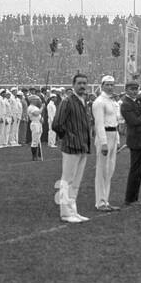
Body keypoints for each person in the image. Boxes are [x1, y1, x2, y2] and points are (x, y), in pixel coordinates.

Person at [52, 73, 93, 223]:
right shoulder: (67, 101)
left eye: (84, 83)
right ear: (73, 85)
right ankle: (64, 212)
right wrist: (69, 137)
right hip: (71, 146)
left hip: (83, 146)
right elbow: (57, 124)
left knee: (76, 182)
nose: (82, 86)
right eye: (79, 83)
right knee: (66, 181)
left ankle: (73, 211)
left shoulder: (84, 101)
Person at [92, 75, 120, 211]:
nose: (110, 87)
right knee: (102, 170)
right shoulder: (99, 102)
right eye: (107, 84)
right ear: (102, 86)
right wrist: (103, 142)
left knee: (110, 170)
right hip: (105, 136)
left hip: (113, 134)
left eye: (112, 85)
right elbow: (99, 124)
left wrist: (117, 139)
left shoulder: (112, 102)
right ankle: (100, 202)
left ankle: (106, 200)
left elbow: (116, 120)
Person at [120, 81, 141, 204]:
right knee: (135, 170)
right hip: (135, 139)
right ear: (126, 89)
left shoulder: (136, 101)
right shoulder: (126, 104)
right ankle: (130, 198)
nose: (134, 91)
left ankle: (134, 197)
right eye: (132, 89)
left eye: (136, 89)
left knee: (139, 170)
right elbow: (133, 121)